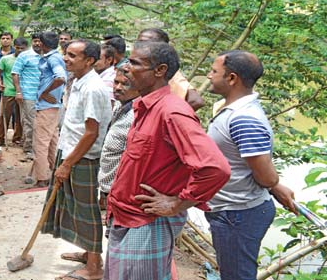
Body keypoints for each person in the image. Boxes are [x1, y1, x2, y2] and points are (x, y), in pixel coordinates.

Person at [105, 41, 230, 280]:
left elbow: (215, 168)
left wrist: (177, 203)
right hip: (127, 219)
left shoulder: (172, 112)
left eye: (135, 63)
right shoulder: (145, 106)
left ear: (160, 70)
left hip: (146, 224)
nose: (127, 68)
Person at [205, 50, 297, 280]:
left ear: (232, 78)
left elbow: (266, 177)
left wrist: (275, 185)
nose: (208, 76)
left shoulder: (243, 119)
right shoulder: (229, 110)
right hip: (230, 210)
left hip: (239, 214)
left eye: (214, 71)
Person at [41, 40, 112, 280]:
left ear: (89, 60)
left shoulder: (93, 88)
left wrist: (68, 163)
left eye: (72, 55)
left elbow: (91, 133)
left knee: (86, 209)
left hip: (82, 158)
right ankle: (89, 253)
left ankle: (94, 267)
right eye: (66, 53)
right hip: (69, 149)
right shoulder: (78, 82)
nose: (66, 58)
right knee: (73, 206)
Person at [26, 31, 67, 187]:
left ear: (42, 44)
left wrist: (45, 92)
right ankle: (54, 170)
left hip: (47, 106)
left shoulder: (53, 59)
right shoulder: (54, 58)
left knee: (40, 143)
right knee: (52, 142)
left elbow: (60, 77)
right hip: (52, 106)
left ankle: (42, 177)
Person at [97, 67, 139, 217]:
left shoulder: (138, 115)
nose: (118, 88)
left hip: (122, 191)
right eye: (116, 82)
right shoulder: (120, 106)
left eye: (125, 84)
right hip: (109, 188)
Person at [136, 28, 205, 111]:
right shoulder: (138, 68)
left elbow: (196, 101)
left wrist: (166, 117)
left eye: (146, 43)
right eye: (138, 43)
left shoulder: (166, 72)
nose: (140, 47)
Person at [12, 34, 42, 160]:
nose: (37, 44)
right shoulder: (24, 55)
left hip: (44, 95)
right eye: (35, 41)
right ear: (32, 42)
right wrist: (18, 92)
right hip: (27, 94)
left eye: (39, 41)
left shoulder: (48, 56)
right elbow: (15, 73)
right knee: (29, 121)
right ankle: (29, 148)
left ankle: (39, 148)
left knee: (40, 122)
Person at [0, 38, 25, 146]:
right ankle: (0, 138)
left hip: (23, 92)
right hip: (8, 91)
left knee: (20, 117)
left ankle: (17, 138)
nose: (20, 50)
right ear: (14, 47)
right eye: (18, 48)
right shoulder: (5, 59)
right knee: (4, 116)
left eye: (22, 48)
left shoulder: (27, 60)